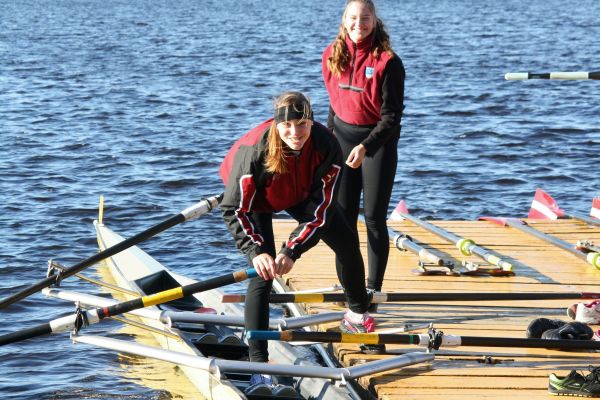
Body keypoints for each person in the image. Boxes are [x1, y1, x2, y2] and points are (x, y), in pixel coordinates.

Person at [219, 92, 376, 391]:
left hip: (300, 190)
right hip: (256, 199)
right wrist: (256, 252)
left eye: (302, 124)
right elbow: (234, 210)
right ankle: (258, 364)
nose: (295, 132)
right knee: (263, 274)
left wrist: (292, 249)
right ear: (277, 125)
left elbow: (321, 210)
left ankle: (357, 313)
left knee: (346, 240)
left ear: (312, 122)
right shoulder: (254, 150)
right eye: (287, 125)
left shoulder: (328, 145)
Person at [322, 0, 405, 309]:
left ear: (374, 20)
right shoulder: (331, 55)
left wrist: (366, 146)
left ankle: (372, 289)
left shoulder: (388, 62)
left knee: (373, 218)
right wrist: (328, 143)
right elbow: (334, 103)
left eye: (365, 17)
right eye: (354, 18)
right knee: (341, 219)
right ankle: (349, 287)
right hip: (342, 142)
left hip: (377, 145)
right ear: (345, 21)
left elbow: (391, 118)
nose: (359, 23)